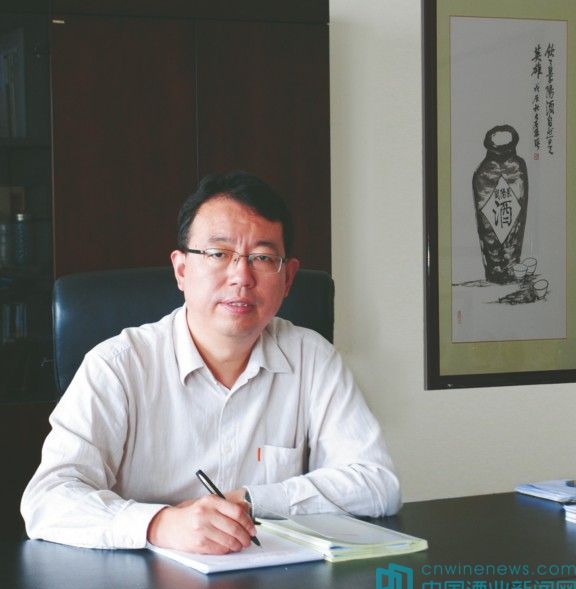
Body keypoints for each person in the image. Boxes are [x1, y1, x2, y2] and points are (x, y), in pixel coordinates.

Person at [21, 171, 401, 554]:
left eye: (263, 258)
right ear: (182, 270)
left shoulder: (312, 359)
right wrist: (159, 524)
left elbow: (377, 483)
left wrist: (252, 500)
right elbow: (48, 499)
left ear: (288, 279)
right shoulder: (117, 367)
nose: (241, 277)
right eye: (219, 254)